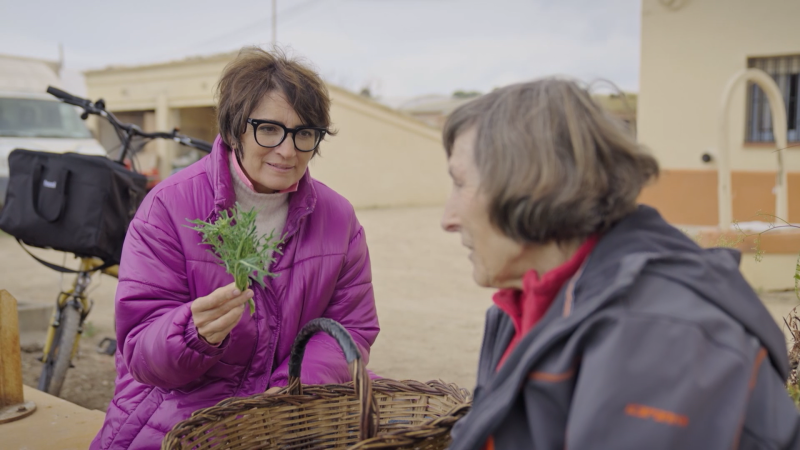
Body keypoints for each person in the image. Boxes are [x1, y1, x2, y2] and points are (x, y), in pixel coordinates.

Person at [441, 78, 800, 449]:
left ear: (531, 185)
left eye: (459, 183)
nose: (447, 218)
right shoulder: (519, 306)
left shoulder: (662, 335)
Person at [90, 47, 379, 449]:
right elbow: (140, 351)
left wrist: (293, 387)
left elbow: (351, 326)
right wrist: (192, 335)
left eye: (305, 133)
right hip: (181, 411)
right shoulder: (169, 207)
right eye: (269, 129)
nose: (288, 150)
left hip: (290, 412)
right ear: (234, 128)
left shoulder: (338, 218)